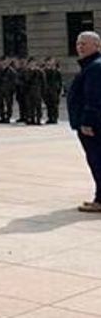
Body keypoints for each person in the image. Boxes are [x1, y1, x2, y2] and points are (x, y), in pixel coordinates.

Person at [68, 31, 101, 212]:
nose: (80, 47)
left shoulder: (95, 67)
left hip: (93, 124)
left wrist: (87, 122)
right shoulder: (91, 66)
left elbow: (94, 97)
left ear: (97, 46)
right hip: (91, 122)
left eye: (84, 44)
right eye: (78, 43)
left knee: (97, 160)